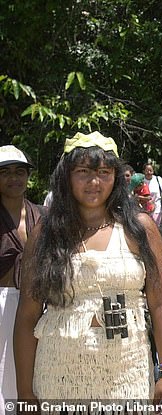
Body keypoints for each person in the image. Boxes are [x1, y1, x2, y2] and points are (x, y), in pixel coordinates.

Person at [13, 131, 162, 403]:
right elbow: (27, 315)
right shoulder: (45, 234)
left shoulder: (140, 229)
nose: (94, 181)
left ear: (116, 177)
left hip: (128, 371)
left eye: (103, 172)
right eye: (83, 171)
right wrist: (24, 393)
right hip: (58, 374)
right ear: (66, 176)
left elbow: (161, 303)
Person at [0, 145, 44, 408]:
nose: (14, 178)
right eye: (5, 172)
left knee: (33, 378)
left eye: (20, 171)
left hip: (38, 305)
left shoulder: (43, 216)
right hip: (2, 305)